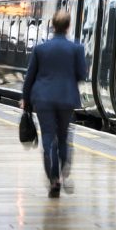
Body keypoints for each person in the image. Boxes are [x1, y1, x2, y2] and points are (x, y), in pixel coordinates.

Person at [21, 11, 87, 198]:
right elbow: (82, 75)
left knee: (48, 138)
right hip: (66, 99)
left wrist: (25, 99)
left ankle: (53, 180)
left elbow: (30, 77)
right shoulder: (77, 49)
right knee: (64, 137)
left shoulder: (41, 49)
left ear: (52, 26)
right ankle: (64, 171)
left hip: (43, 99)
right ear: (68, 26)